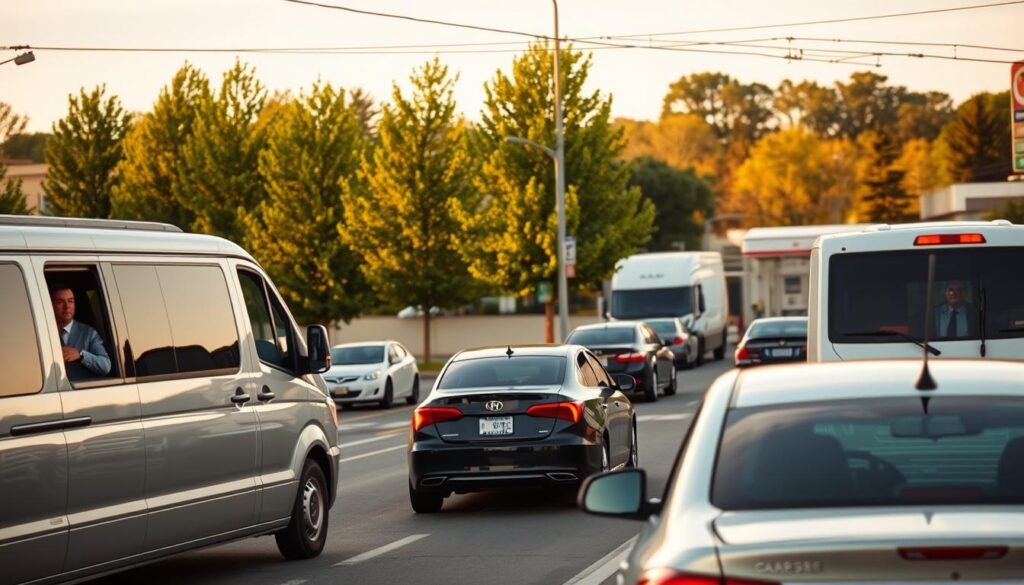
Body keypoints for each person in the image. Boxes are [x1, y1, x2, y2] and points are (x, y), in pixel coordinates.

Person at [50, 282, 112, 379]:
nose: (67, 307)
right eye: (60, 302)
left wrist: (81, 355)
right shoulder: (43, 333)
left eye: (70, 301)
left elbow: (106, 366)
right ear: (50, 305)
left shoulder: (89, 333)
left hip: (81, 392)